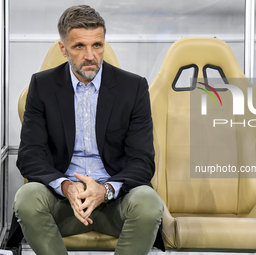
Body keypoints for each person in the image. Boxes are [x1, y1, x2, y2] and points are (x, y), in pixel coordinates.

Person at [13, 5, 164, 255]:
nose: (91, 55)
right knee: (27, 197)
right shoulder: (42, 86)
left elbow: (143, 160)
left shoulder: (133, 87)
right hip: (63, 204)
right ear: (63, 49)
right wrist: (66, 187)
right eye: (79, 46)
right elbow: (30, 156)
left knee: (148, 202)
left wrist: (104, 191)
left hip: (115, 202)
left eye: (97, 45)